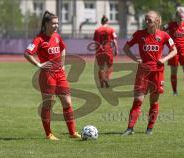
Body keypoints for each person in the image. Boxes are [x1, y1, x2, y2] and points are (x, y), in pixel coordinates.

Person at [24, 11, 81, 140]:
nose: (56, 25)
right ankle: (48, 134)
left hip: (60, 74)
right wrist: (39, 64)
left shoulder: (57, 37)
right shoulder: (39, 39)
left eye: (57, 23)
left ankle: (72, 133)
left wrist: (63, 63)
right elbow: (27, 53)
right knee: (48, 104)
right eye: (53, 23)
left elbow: (63, 48)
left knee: (67, 102)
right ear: (46, 24)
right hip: (47, 76)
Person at [122, 10, 177, 136]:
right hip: (143, 72)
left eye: (149, 20)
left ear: (157, 21)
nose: (146, 22)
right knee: (138, 100)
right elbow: (126, 48)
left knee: (154, 102)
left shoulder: (164, 35)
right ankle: (130, 128)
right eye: (145, 19)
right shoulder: (139, 34)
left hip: (157, 72)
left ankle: (149, 129)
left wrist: (164, 59)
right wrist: (135, 58)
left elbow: (174, 50)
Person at [163, 9, 184, 96]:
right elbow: (161, 30)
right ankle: (175, 92)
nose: (182, 19)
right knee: (174, 72)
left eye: (183, 17)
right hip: (173, 51)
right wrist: (167, 41)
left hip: (183, 51)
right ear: (176, 17)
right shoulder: (170, 24)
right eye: (180, 17)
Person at [93, 15, 118, 88]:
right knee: (110, 66)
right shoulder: (110, 29)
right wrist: (116, 49)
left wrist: (96, 51)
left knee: (101, 67)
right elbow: (114, 41)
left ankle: (101, 82)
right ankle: (106, 78)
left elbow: (95, 42)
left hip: (99, 51)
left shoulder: (97, 30)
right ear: (107, 21)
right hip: (108, 50)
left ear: (101, 22)